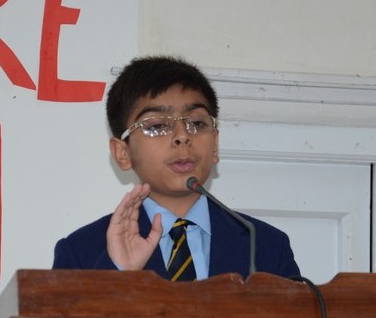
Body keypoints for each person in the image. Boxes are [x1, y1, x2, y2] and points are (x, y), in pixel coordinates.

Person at [52, 55, 300, 280]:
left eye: (197, 123)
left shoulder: (266, 246)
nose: (182, 136)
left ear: (215, 145)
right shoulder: (81, 253)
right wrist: (120, 272)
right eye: (157, 125)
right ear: (123, 153)